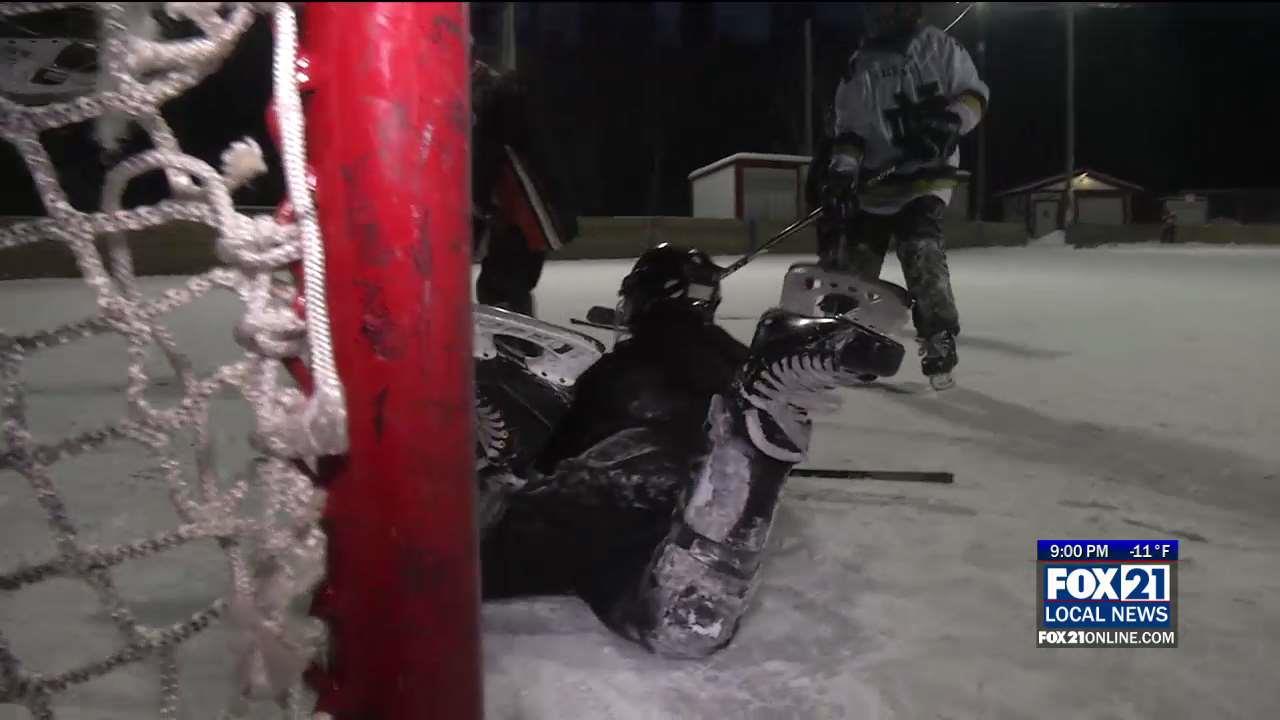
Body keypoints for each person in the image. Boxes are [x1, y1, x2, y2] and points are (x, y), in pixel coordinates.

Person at [478, 244, 905, 658]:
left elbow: (555, 449)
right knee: (653, 594)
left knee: (475, 553)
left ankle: (731, 464)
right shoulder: (732, 355)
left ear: (643, 296)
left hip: (628, 465)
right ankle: (743, 455)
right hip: (698, 473)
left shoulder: (620, 364)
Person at [818, 2, 989, 390]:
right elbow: (850, 132)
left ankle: (937, 335)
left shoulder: (940, 48)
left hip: (927, 176)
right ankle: (855, 338)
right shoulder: (859, 66)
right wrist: (843, 173)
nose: (882, 15)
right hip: (877, 181)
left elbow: (974, 95)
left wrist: (950, 121)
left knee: (920, 248)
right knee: (853, 264)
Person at [472, 60, 579, 316]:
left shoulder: (496, 116)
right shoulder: (510, 108)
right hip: (527, 215)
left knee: (501, 285)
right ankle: (519, 344)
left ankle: (518, 346)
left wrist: (478, 211)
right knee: (505, 283)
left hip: (526, 215)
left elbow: (486, 168)